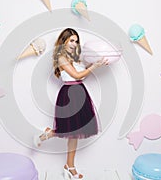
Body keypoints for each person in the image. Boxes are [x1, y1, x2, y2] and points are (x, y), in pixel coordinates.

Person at [33, 28, 108, 180]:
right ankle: (45, 135)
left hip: (80, 92)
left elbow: (81, 76)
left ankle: (69, 165)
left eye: (76, 41)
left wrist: (97, 62)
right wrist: (94, 67)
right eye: (71, 40)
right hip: (69, 95)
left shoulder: (74, 58)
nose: (74, 44)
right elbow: (76, 75)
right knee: (68, 129)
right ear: (64, 40)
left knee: (74, 133)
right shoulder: (61, 57)